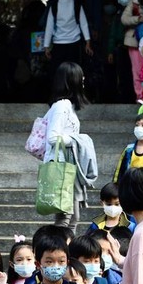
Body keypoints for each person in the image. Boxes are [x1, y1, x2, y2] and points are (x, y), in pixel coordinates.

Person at [44, 61, 91, 231]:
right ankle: (57, 253)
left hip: (68, 166)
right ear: (72, 80)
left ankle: (65, 254)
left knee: (72, 217)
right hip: (62, 167)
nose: (83, 79)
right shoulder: (62, 106)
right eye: (81, 76)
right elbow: (52, 138)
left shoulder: (66, 106)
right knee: (65, 217)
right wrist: (78, 140)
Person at [43, 0, 93, 77]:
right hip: (58, 44)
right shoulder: (54, 6)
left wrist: (88, 42)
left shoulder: (76, 4)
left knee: (74, 74)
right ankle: (60, 93)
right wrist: (46, 46)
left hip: (74, 43)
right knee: (58, 74)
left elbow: (83, 23)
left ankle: (73, 93)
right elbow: (49, 26)